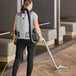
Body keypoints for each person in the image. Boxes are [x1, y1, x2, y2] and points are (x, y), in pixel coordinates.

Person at [12, 0, 44, 76]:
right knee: (30, 60)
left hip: (20, 39)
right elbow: (36, 27)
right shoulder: (34, 15)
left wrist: (14, 38)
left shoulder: (17, 14)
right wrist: (41, 37)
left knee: (17, 59)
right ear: (30, 5)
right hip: (31, 40)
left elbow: (14, 28)